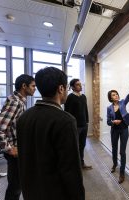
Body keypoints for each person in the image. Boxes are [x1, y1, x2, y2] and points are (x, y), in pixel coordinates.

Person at [16, 67, 85, 200]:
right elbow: (71, 170)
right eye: (67, 88)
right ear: (61, 88)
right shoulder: (65, 121)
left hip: (30, 191)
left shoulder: (24, 117)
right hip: (55, 193)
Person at [0, 74, 36, 200]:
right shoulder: (16, 103)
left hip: (17, 149)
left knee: (16, 186)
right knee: (15, 187)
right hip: (15, 152)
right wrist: (9, 148)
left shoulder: (18, 101)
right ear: (24, 86)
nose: (35, 88)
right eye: (33, 86)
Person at [64, 79, 92, 170]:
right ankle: (74, 165)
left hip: (84, 125)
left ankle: (81, 163)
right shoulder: (70, 97)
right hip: (75, 126)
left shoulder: (83, 96)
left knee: (82, 145)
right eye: (77, 84)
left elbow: (85, 110)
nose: (80, 86)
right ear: (72, 87)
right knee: (74, 146)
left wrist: (87, 121)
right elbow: (67, 112)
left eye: (80, 84)